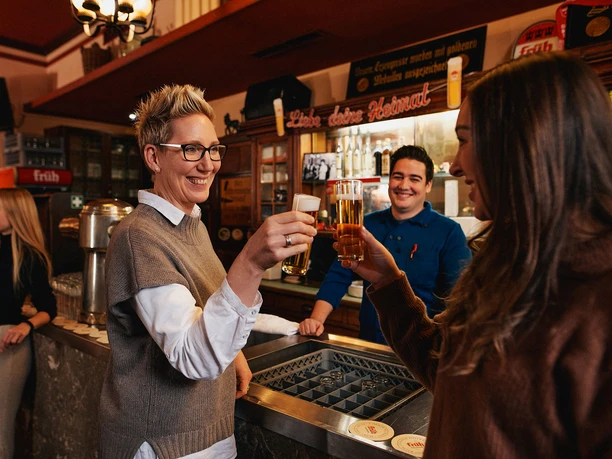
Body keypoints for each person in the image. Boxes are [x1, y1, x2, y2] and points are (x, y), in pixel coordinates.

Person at [341, 52, 612, 458]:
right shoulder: (507, 261)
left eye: (465, 139)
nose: (455, 163)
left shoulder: (597, 299)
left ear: (523, 143)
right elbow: (447, 367)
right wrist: (387, 282)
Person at [100, 84, 317, 459]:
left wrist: (234, 355)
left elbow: (204, 306)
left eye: (214, 149)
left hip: (208, 432)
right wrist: (250, 262)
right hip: (162, 444)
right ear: (153, 157)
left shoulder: (192, 224)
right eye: (191, 149)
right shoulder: (139, 236)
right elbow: (192, 356)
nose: (208, 163)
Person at [299, 145, 471, 344]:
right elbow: (339, 274)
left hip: (422, 350)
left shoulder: (449, 231)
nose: (404, 185)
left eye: (414, 179)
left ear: (428, 185)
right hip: (370, 344)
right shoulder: (366, 224)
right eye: (398, 176)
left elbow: (459, 299)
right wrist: (316, 320)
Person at [0, 188, 57, 459]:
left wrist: (26, 326)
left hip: (8, 343)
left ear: (15, 213)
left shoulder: (30, 256)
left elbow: (49, 309)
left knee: (0, 429)